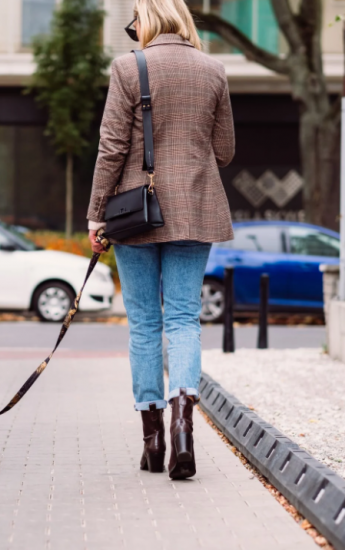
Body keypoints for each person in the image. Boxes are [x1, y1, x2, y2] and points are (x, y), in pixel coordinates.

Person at [86, 0, 235, 479]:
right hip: (196, 207)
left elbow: (112, 148)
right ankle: (184, 430)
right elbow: (226, 151)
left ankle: (152, 443)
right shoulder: (214, 70)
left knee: (146, 324)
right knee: (185, 319)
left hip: (136, 213)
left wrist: (95, 216)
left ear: (143, 20)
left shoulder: (129, 68)